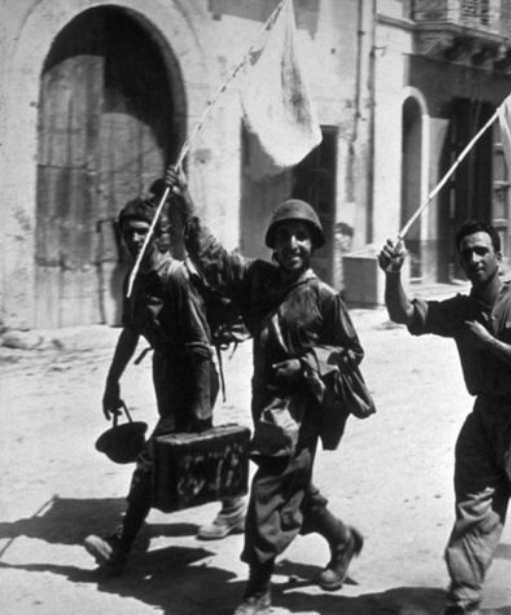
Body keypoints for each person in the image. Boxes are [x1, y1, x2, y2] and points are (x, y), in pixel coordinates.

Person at [170, 169, 366, 615]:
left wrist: (307, 362)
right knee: (296, 490)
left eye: (302, 237)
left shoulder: (324, 297)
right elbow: (214, 260)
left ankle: (258, 590)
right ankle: (343, 540)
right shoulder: (257, 280)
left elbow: (351, 351)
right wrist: (186, 204)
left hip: (302, 414)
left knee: (267, 494)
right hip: (268, 410)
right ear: (274, 242)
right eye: (285, 236)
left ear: (313, 244)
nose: (293, 244)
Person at [379, 221, 511, 615]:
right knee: (474, 508)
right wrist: (392, 274)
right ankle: (465, 595)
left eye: (481, 251)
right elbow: (403, 313)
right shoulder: (460, 310)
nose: (474, 258)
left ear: (498, 257)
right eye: (467, 253)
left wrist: (488, 342)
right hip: (486, 419)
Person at [84, 192, 246, 574]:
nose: (134, 239)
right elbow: (130, 332)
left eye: (142, 232)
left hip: (192, 375)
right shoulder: (134, 280)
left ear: (158, 234)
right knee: (187, 452)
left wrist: (202, 401)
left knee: (152, 458)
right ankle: (235, 504)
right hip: (166, 375)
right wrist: (112, 381)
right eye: (128, 233)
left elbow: (200, 343)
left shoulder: (176, 277)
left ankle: (121, 547)